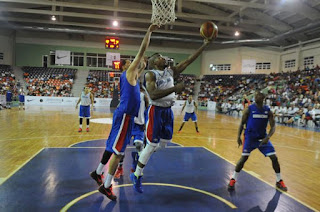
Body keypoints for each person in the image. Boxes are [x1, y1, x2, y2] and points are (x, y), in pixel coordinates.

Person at [130, 38, 213, 193]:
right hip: (156, 112)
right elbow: (153, 95)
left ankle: (140, 154)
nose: (164, 58)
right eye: (160, 57)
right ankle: (137, 175)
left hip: (168, 112)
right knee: (152, 145)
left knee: (163, 143)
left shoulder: (171, 71)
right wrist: (175, 88)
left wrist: (205, 44)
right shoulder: (150, 74)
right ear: (154, 62)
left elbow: (189, 60)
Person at [89, 24, 158, 201]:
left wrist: (143, 66)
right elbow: (142, 51)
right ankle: (106, 186)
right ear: (127, 66)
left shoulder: (131, 76)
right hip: (126, 116)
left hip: (124, 115)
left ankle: (98, 173)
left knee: (113, 146)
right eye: (130, 61)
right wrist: (148, 31)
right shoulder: (128, 72)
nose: (131, 61)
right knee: (118, 152)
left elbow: (140, 69)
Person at [228, 92, 288, 192]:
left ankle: (279, 180)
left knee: (274, 157)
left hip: (262, 138)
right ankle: (233, 179)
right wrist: (238, 136)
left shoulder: (267, 110)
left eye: (258, 96)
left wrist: (268, 137)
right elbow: (242, 123)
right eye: (255, 96)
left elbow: (273, 126)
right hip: (250, 138)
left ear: (263, 98)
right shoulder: (249, 109)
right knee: (243, 159)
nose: (256, 97)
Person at [114, 84, 149, 179]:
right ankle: (120, 168)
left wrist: (146, 125)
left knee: (139, 146)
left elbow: (147, 111)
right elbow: (120, 108)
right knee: (121, 149)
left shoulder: (144, 97)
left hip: (139, 126)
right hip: (128, 124)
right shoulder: (127, 95)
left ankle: (136, 168)